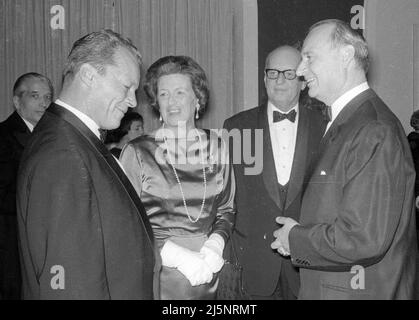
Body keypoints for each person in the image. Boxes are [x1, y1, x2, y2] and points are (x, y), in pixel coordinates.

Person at [271, 19, 417, 299]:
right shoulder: (351, 121)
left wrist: (296, 238)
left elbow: (364, 238)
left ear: (346, 54)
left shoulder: (373, 129)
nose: (300, 70)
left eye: (309, 57)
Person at [16, 30, 158, 299]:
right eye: (126, 87)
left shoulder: (74, 139)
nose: (132, 101)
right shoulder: (63, 154)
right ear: (88, 75)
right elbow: (71, 284)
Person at [120, 55, 235, 300]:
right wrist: (176, 256)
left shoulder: (217, 145)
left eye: (180, 92)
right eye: (163, 94)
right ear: (156, 102)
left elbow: (226, 208)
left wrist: (215, 244)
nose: (171, 101)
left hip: (208, 269)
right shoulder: (138, 152)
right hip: (160, 273)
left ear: (197, 99)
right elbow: (126, 224)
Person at [223, 46, 326, 299]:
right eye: (273, 72)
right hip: (253, 265)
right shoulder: (237, 127)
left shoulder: (325, 127)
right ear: (264, 79)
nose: (279, 80)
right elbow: (226, 199)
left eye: (289, 73)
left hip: (307, 266)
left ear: (303, 82)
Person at [0, 72, 53, 299]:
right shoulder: (3, 137)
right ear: (16, 101)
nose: (43, 103)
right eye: (35, 96)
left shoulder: (49, 137)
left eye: (48, 97)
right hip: (9, 239)